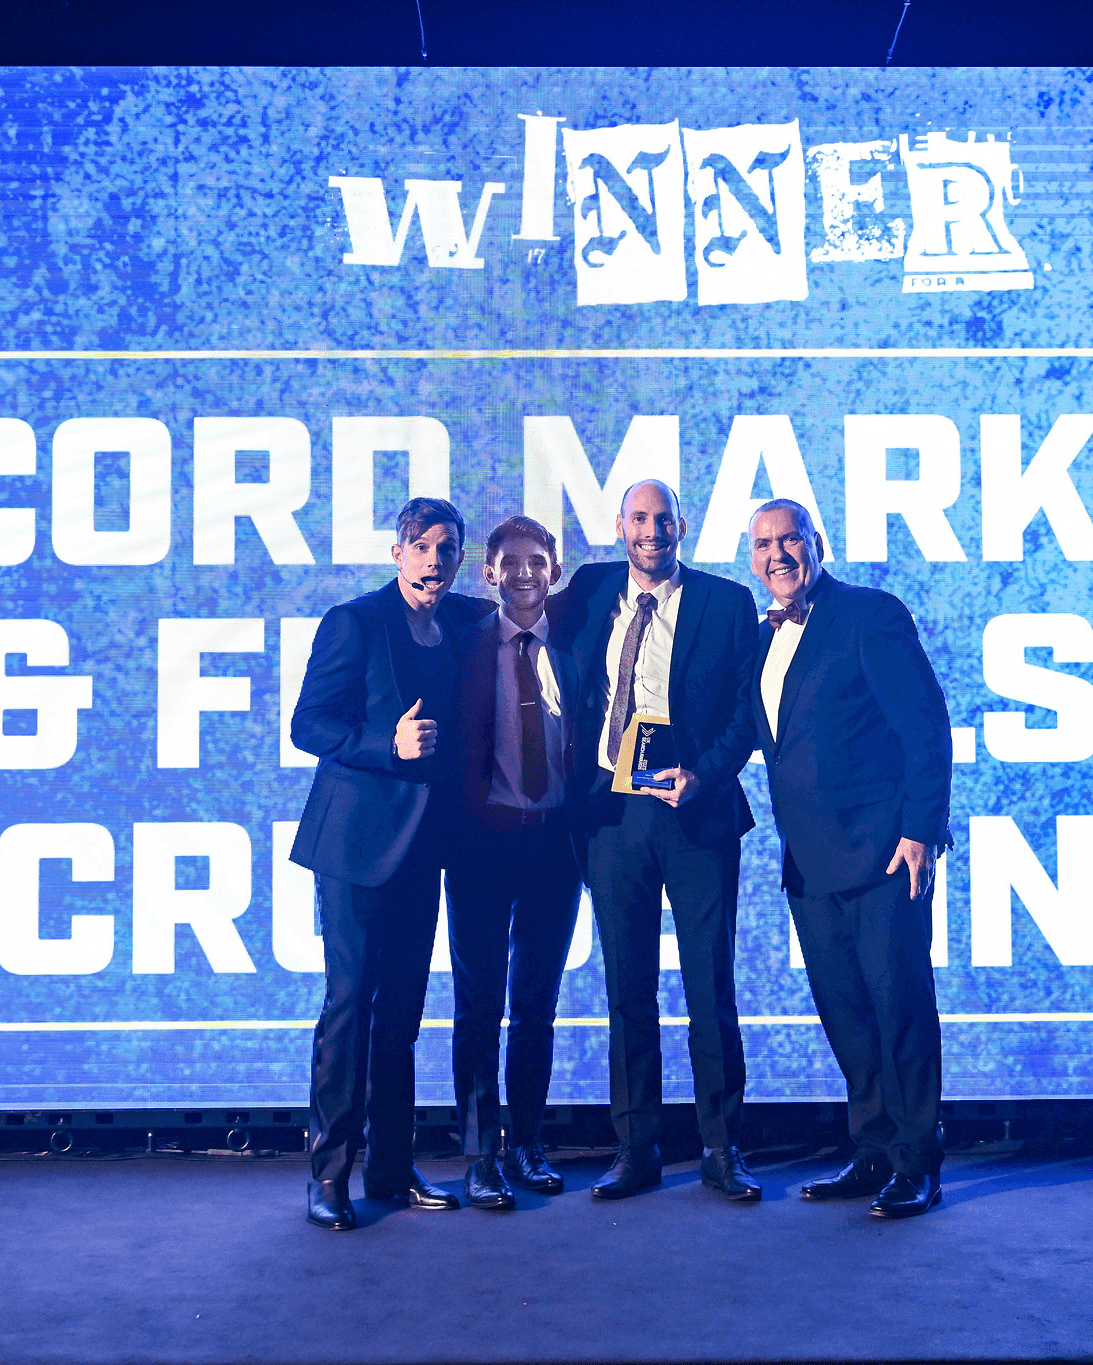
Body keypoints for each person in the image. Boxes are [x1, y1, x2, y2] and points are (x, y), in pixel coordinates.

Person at [554, 478, 763, 1201]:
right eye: (639, 519)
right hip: (612, 819)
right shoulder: (587, 592)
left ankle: (721, 1145)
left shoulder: (727, 602)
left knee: (711, 984)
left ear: (684, 525)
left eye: (663, 519)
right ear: (620, 525)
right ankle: (634, 1146)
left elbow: (749, 711)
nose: (651, 531)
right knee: (627, 988)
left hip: (697, 814)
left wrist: (703, 775)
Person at [288, 496, 493, 1231]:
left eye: (447, 549)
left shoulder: (462, 624)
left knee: (401, 1015)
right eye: (422, 546)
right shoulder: (355, 621)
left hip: (422, 849)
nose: (434, 560)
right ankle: (328, 1173)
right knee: (350, 1005)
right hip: (352, 848)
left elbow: (527, 611)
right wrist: (386, 744)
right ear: (397, 552)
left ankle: (391, 1166)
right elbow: (308, 723)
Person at [745, 498, 952, 1219]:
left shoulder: (870, 615)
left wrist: (921, 831)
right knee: (848, 1015)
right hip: (809, 865)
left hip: (885, 857)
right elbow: (749, 737)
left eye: (789, 539)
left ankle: (918, 1160)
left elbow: (926, 727)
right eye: (764, 543)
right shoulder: (761, 636)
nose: (778, 554)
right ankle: (872, 1150)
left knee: (900, 1009)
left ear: (817, 544)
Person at [448, 515, 585, 1210]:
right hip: (481, 844)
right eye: (512, 562)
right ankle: (480, 1155)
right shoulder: (462, 643)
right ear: (489, 573)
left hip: (555, 844)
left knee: (536, 1004)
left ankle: (526, 1142)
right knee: (478, 1005)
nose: (525, 572)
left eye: (538, 561)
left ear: (554, 571)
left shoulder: (581, 643)